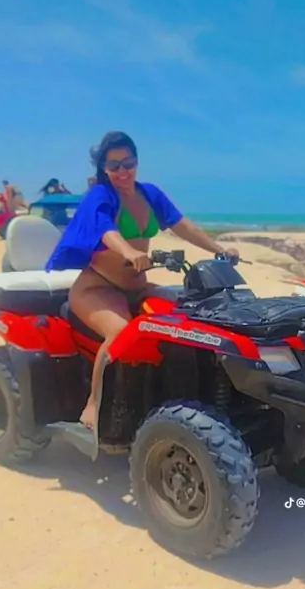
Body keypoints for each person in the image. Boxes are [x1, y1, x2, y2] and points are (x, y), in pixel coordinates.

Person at [45, 130, 239, 434]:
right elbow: (105, 230)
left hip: (137, 287)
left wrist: (219, 249)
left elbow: (183, 226)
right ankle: (94, 403)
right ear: (104, 169)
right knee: (120, 333)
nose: (122, 171)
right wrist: (129, 252)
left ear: (136, 161)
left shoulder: (149, 194)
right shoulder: (100, 195)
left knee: (190, 315)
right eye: (114, 166)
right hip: (97, 287)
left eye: (128, 163)